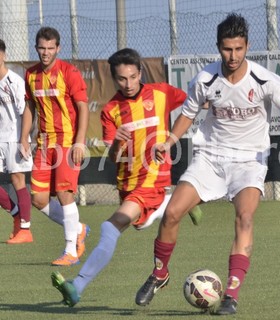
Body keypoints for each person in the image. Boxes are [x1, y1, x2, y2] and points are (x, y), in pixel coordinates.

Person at [135, 13, 280, 315]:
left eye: (239, 49)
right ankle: (160, 274)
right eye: (227, 49)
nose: (233, 56)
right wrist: (169, 141)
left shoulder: (265, 80)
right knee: (173, 212)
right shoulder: (205, 79)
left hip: (249, 162)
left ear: (247, 46)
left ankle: (231, 294)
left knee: (245, 217)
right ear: (218, 47)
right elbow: (188, 115)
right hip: (210, 158)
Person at [50, 47, 203, 306]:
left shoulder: (161, 92)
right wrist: (117, 144)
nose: (128, 83)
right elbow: (113, 157)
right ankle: (179, 203)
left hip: (153, 179)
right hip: (128, 184)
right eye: (122, 79)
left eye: (133, 77)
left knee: (110, 227)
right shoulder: (111, 110)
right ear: (114, 79)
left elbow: (194, 103)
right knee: (141, 224)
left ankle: (77, 286)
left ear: (140, 73)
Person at [20, 27, 90, 266]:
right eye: (42, 48)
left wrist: (80, 142)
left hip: (67, 144)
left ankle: (71, 251)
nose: (46, 52)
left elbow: (82, 107)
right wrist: (24, 138)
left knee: (64, 195)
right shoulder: (30, 75)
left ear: (58, 48)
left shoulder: (69, 73)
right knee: (38, 199)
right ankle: (78, 228)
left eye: (50, 48)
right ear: (36, 47)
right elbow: (30, 107)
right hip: (43, 144)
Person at [0, 39, 33, 244]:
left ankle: (26, 230)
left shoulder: (15, 81)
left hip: (14, 138)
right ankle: (16, 216)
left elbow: (27, 111)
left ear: (3, 55)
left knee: (17, 180)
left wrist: (24, 139)